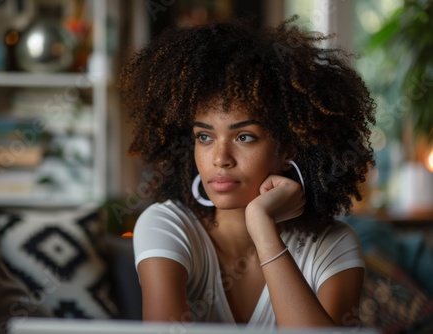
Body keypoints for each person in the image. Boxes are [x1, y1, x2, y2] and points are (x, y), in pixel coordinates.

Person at [118, 16, 376, 328]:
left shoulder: (331, 245)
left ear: (288, 150)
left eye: (244, 137)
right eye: (205, 137)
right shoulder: (168, 227)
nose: (220, 158)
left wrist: (263, 229)